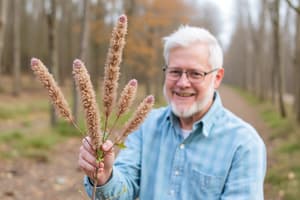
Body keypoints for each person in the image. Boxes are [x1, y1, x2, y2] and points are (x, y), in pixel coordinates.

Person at [78, 25, 267, 200]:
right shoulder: (145, 125)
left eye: (195, 73)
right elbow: (123, 190)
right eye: (175, 72)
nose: (183, 83)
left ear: (217, 78)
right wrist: (105, 177)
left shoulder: (245, 144)